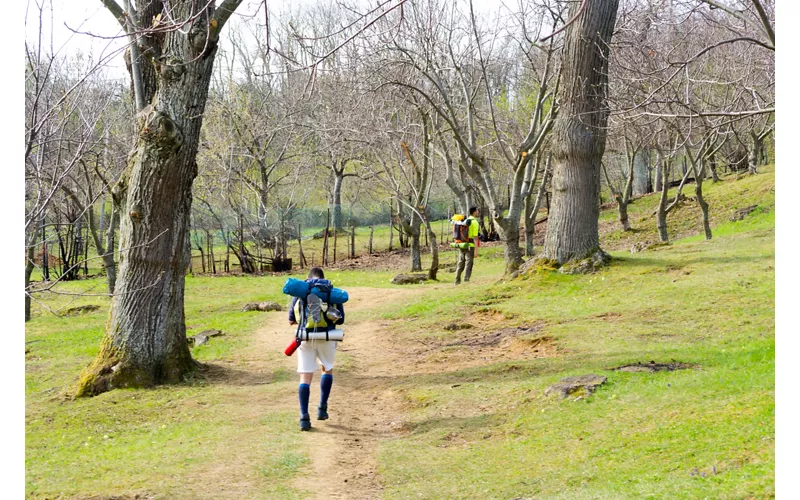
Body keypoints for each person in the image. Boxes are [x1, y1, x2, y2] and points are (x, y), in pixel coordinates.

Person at [288, 267, 345, 431]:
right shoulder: (331, 292)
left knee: (305, 378)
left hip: (305, 338)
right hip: (327, 337)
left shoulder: (301, 293)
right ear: (323, 278)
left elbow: (291, 320)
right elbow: (340, 320)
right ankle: (322, 408)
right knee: (327, 369)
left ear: (308, 279)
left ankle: (304, 417)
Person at [454, 206, 480, 285]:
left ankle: (456, 280)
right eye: (477, 211)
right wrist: (476, 250)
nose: (478, 212)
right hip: (470, 245)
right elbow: (475, 237)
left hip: (462, 244)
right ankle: (466, 280)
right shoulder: (474, 222)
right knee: (469, 263)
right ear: (474, 212)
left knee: (461, 263)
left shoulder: (464, 221)